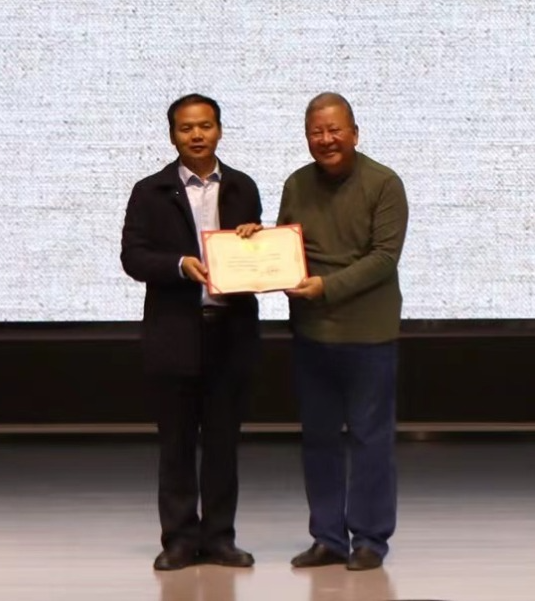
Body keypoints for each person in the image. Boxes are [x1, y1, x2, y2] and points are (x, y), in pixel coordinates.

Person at [121, 93, 263, 571]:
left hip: (231, 332)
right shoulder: (151, 190)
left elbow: (257, 255)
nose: (197, 135)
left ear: (219, 130)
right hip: (175, 333)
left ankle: (220, 538)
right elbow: (133, 257)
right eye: (186, 128)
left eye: (205, 126)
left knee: (223, 445)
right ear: (172, 135)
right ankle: (179, 540)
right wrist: (180, 265)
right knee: (177, 445)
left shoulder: (242, 186)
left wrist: (256, 243)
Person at [278, 92, 409, 571]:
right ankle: (328, 537)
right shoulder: (297, 183)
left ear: (355, 132)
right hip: (312, 332)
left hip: (369, 334)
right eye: (316, 132)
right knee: (319, 440)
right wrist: (254, 244)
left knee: (371, 440)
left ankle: (370, 539)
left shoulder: (384, 183)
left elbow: (384, 258)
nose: (326, 139)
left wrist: (326, 287)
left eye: (335, 130)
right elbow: (285, 247)